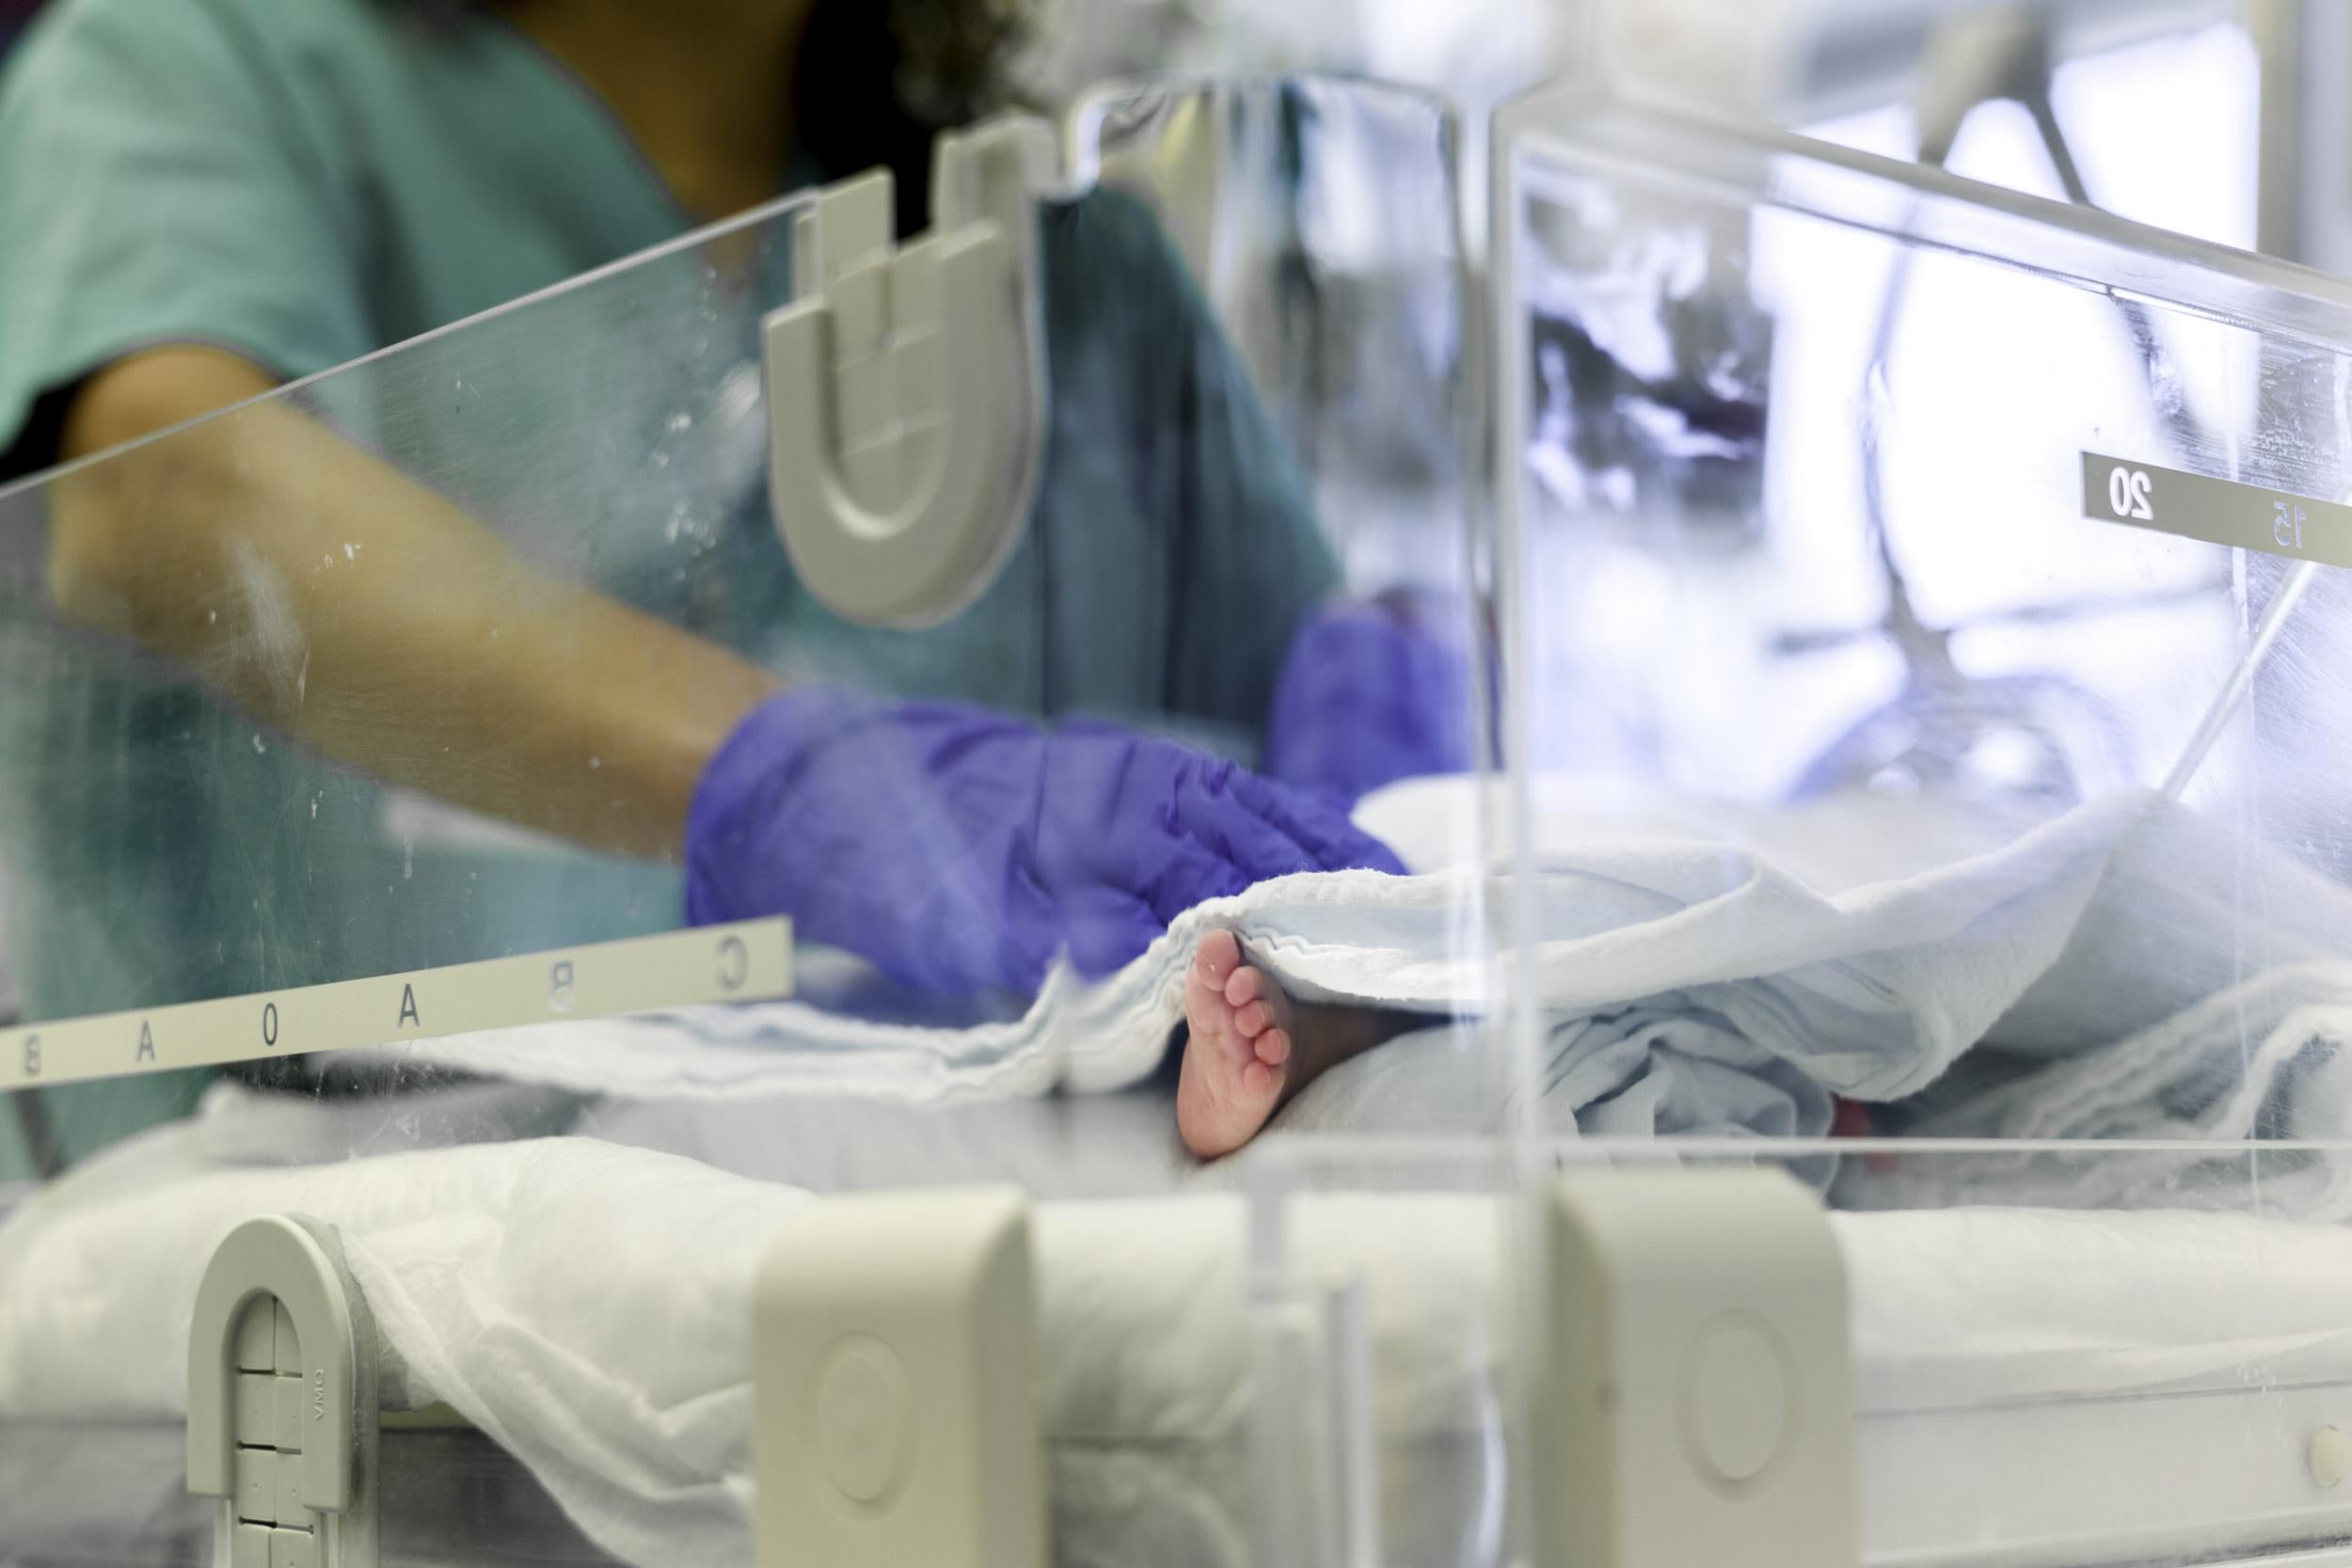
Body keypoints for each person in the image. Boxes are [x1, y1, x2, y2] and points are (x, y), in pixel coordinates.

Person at [0, 0, 1467, 1166]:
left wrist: (1383, 815)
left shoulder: (1067, 269)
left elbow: (1334, 687)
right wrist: (791, 780)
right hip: (304, 1446)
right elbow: (156, 492)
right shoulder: (196, 73)